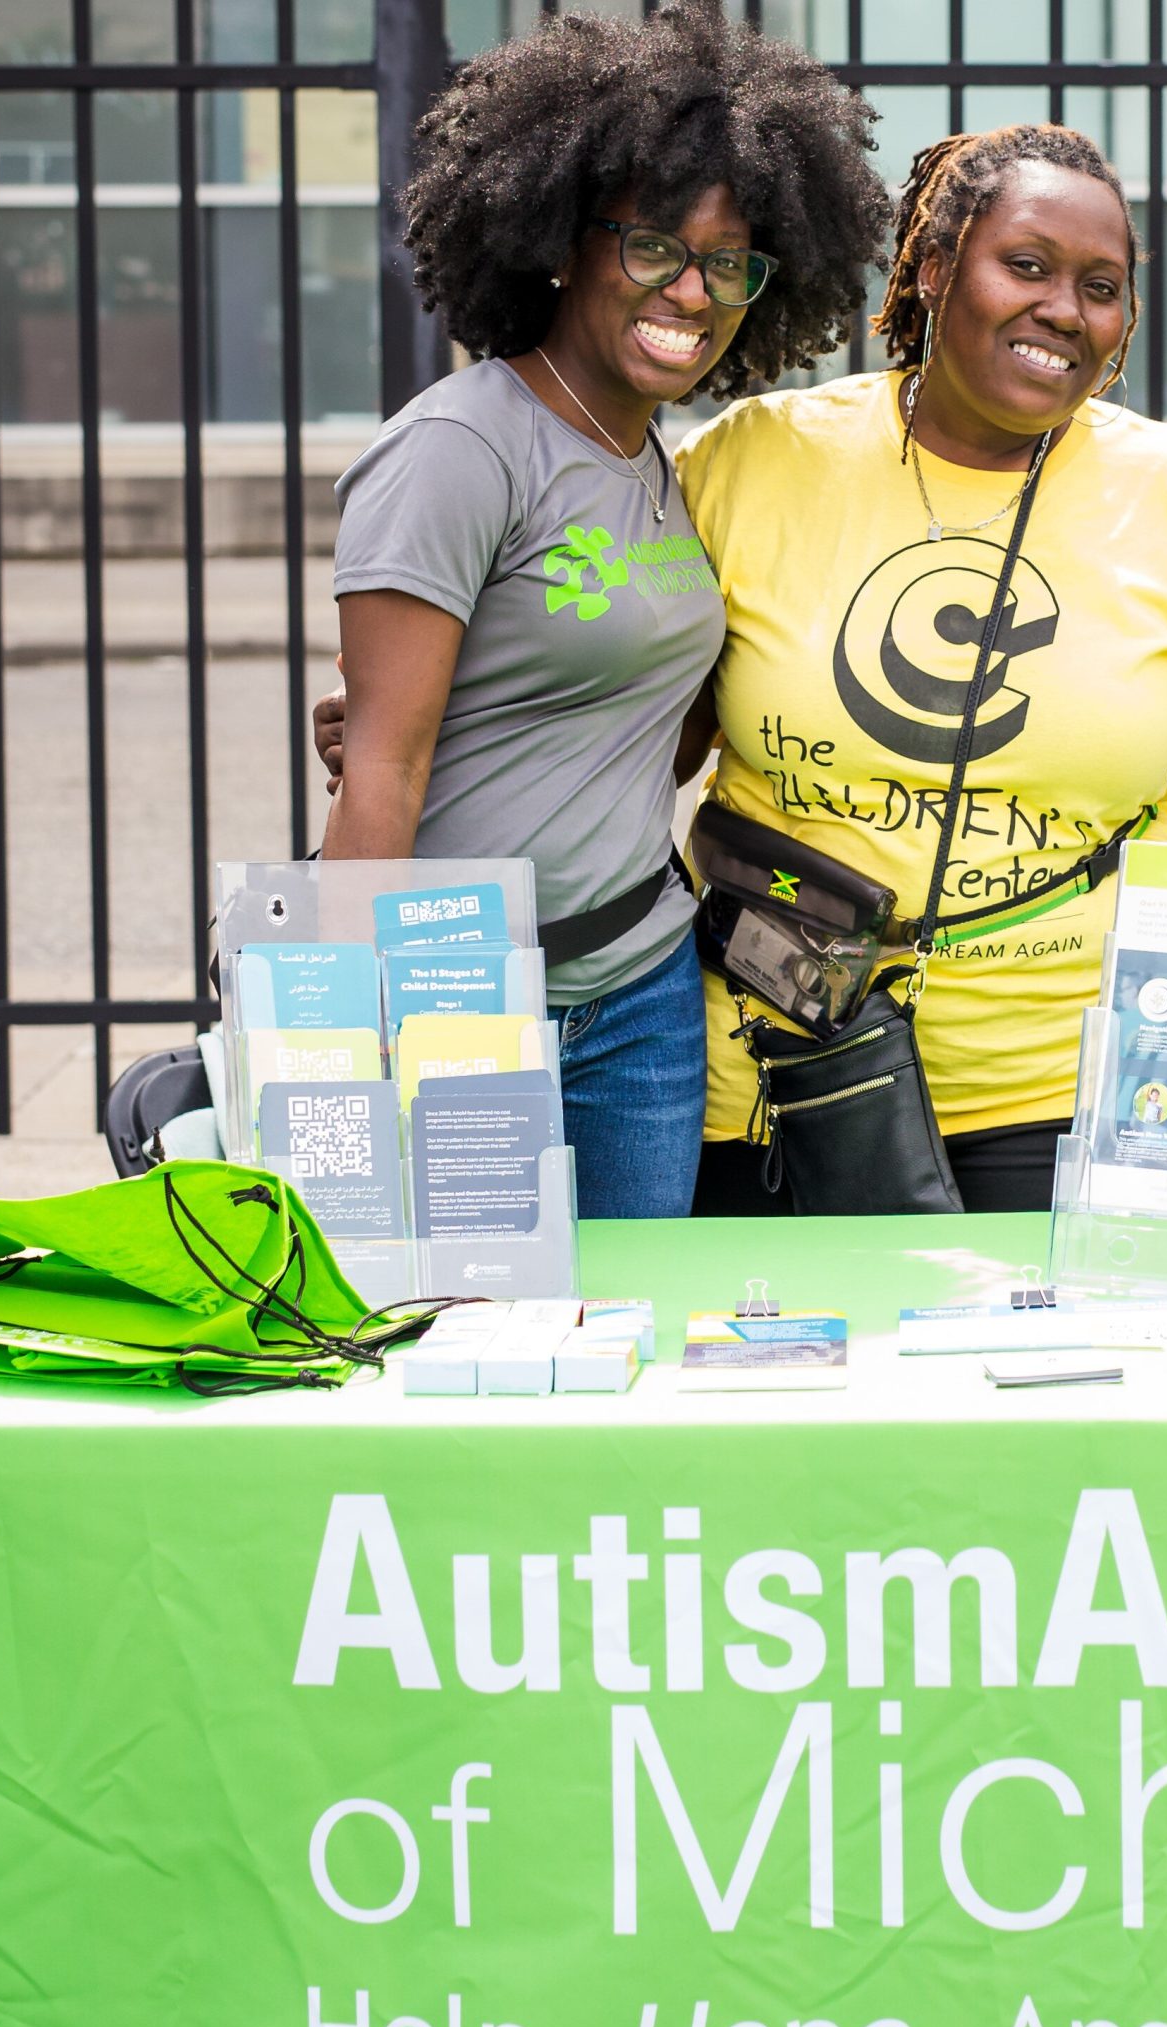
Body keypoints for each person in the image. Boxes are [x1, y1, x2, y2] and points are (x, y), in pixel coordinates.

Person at [676, 121, 1167, 1215]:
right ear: (931, 270)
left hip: (1079, 1088)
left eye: (1101, 286)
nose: (1065, 310)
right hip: (776, 1067)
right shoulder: (750, 461)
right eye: (1024, 266)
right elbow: (640, 725)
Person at [318, 3, 888, 1218]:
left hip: (640, 995)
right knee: (452, 1350)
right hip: (463, 997)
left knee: (622, 1358)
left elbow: (645, 711)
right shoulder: (457, 450)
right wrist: (333, 1052)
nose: (691, 289)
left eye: (728, 263)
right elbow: (382, 774)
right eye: (653, 248)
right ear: (564, 243)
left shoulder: (652, 462)